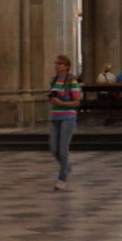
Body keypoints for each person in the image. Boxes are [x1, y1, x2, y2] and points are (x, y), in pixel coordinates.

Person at [48, 53, 81, 190]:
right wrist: (51, 99)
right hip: (55, 117)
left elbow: (77, 102)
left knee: (63, 149)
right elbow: (53, 96)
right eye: (55, 63)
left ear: (66, 66)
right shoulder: (54, 80)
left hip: (68, 117)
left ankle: (62, 178)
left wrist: (61, 102)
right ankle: (66, 166)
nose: (56, 65)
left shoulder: (72, 81)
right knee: (54, 148)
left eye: (59, 63)